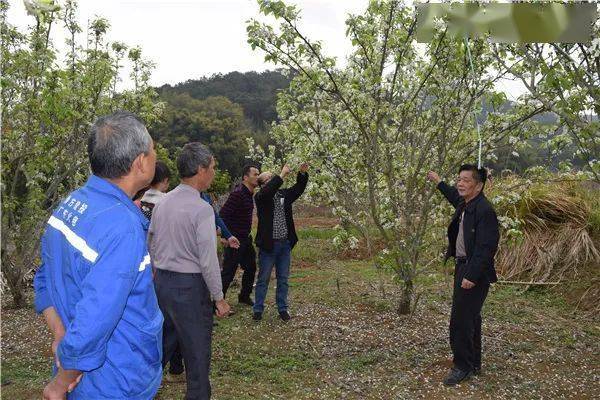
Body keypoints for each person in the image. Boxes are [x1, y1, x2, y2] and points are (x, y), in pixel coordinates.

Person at [33, 111, 162, 400]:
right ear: (140, 162)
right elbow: (95, 317)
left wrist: (59, 334)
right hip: (115, 379)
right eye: (153, 150)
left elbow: (44, 279)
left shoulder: (70, 203)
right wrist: (61, 381)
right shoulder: (122, 227)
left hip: (90, 375)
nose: (155, 155)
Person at [148, 142, 230, 400]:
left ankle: (139, 391)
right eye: (213, 167)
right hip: (189, 288)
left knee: (160, 348)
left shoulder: (163, 202)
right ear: (200, 169)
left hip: (161, 284)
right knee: (196, 355)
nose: (214, 173)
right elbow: (208, 259)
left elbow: (150, 242)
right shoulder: (201, 209)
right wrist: (218, 297)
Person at [427, 165, 499, 386]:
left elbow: (486, 247)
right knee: (471, 319)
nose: (460, 183)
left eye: (466, 180)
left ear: (478, 186)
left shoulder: (484, 210)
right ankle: (473, 363)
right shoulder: (466, 203)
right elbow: (452, 196)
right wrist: (439, 182)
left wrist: (471, 275)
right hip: (463, 268)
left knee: (460, 321)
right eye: (459, 179)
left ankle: (462, 367)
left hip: (473, 272)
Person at [252, 163, 309, 321]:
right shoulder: (261, 197)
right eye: (269, 178)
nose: (274, 179)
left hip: (284, 245)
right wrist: (282, 175)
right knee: (263, 279)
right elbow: (267, 192)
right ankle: (258, 309)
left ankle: (282, 309)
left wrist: (302, 173)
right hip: (268, 246)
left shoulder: (284, 194)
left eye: (273, 177)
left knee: (283, 279)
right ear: (264, 184)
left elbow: (298, 189)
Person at [219, 164, 260, 305]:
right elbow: (223, 215)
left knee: (251, 267)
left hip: (245, 238)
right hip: (234, 239)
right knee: (229, 271)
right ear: (245, 177)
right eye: (255, 174)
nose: (258, 177)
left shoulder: (249, 194)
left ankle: (244, 296)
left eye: (258, 174)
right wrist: (225, 236)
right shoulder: (238, 194)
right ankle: (217, 303)